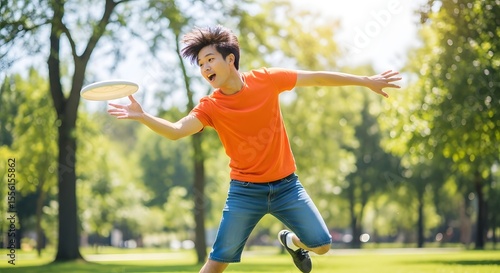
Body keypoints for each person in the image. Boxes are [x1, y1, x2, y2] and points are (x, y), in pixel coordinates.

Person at [108, 25, 401, 273]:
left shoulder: (267, 79)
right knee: (216, 265)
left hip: (287, 186)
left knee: (322, 245)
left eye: (210, 59)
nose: (205, 67)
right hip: (245, 192)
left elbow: (317, 77)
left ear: (230, 59)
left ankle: (291, 241)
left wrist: (366, 81)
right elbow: (176, 131)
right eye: (200, 64)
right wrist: (143, 116)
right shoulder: (211, 106)